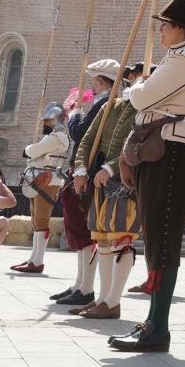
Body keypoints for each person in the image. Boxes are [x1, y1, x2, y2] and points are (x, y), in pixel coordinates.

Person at [109, 0, 185, 354]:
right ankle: (154, 322)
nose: (160, 30)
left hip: (173, 155)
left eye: (165, 25)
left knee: (163, 240)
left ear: (181, 28)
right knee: (157, 237)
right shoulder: (178, 57)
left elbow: (140, 98)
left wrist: (135, 88)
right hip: (163, 152)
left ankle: (159, 327)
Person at [70, 62, 144, 319]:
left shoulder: (148, 109)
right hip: (98, 183)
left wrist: (111, 168)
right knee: (102, 239)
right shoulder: (109, 106)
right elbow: (87, 140)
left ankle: (113, 301)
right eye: (133, 77)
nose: (135, 81)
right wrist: (80, 170)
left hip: (126, 181)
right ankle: (102, 299)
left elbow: (136, 146)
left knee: (121, 240)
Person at [50, 67, 116, 308]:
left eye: (94, 81)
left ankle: (86, 287)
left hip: (88, 172)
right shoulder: (103, 102)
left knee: (85, 230)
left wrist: (76, 114)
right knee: (78, 228)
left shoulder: (104, 103)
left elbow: (80, 133)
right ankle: (80, 283)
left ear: (100, 81)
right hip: (82, 170)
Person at [12, 104, 70, 275]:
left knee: (42, 220)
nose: (45, 123)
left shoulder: (57, 138)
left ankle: (38, 261)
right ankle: (33, 259)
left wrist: (28, 149)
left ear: (55, 120)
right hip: (38, 178)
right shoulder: (51, 137)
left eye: (47, 120)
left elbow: (34, 150)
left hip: (48, 180)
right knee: (36, 220)